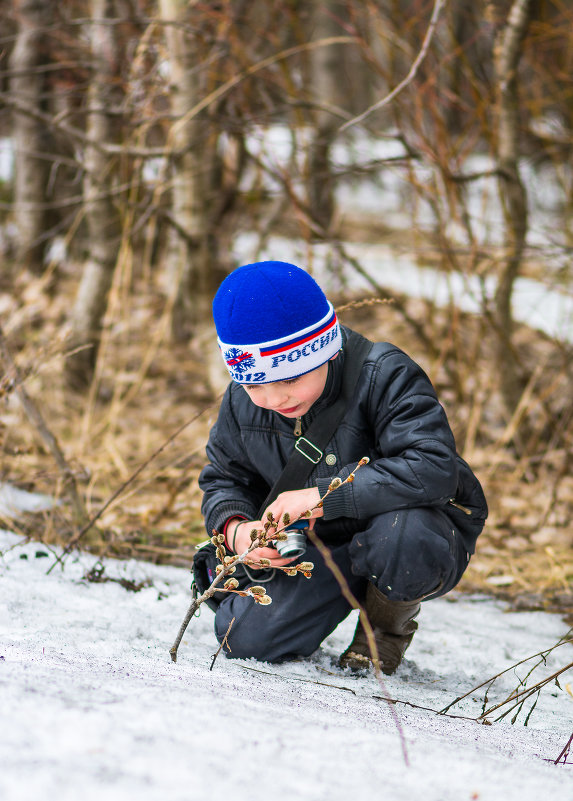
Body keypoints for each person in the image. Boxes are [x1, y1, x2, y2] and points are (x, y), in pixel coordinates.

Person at [198, 260, 487, 673]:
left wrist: (323, 498)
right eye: (255, 384)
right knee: (245, 640)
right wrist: (238, 529)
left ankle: (381, 636)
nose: (276, 398)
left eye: (291, 378)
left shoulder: (385, 374)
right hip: (318, 547)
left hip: (402, 529)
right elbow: (223, 479)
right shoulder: (241, 401)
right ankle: (326, 593)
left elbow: (434, 466)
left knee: (406, 540)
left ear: (326, 350)